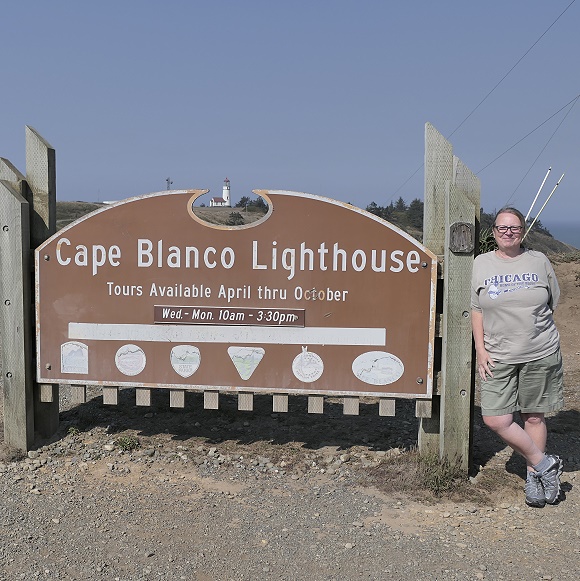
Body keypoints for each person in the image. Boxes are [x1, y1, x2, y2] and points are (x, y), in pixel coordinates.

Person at [471, 207, 564, 508]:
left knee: (533, 416)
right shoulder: (481, 264)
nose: (508, 232)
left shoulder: (539, 260)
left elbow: (553, 300)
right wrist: (481, 349)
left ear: (523, 230)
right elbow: (476, 309)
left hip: (540, 352)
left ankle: (535, 480)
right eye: (502, 228)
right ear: (493, 231)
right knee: (496, 418)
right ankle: (543, 463)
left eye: (514, 227)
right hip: (498, 355)